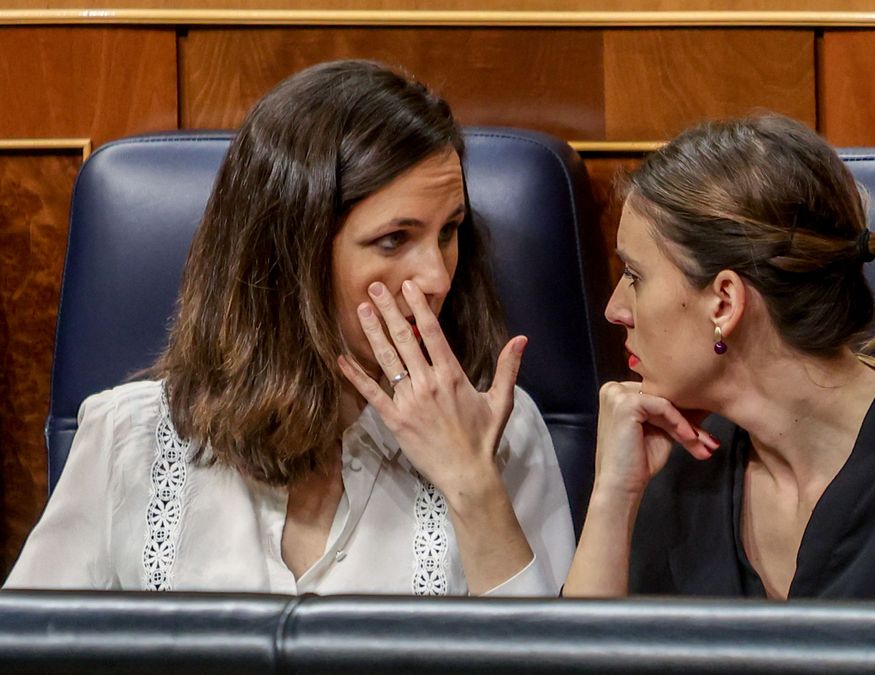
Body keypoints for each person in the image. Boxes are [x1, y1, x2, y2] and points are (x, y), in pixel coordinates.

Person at [5, 60, 574, 596]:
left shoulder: (501, 429)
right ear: (289, 257)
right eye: (394, 239)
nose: (435, 277)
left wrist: (472, 484)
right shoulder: (127, 436)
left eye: (450, 232)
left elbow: (544, 661)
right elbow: (34, 650)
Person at [564, 114, 875, 601]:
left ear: (724, 301)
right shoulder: (677, 461)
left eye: (635, 276)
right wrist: (613, 498)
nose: (615, 310)